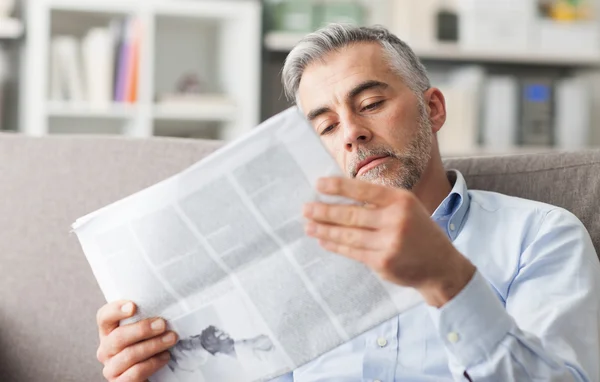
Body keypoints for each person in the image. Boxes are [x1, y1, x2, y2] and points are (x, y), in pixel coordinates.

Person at [94, 24, 600, 381]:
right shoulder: (286, 261)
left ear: (433, 109)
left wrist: (450, 281)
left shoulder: (541, 234)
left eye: (372, 104)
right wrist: (152, 371)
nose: (353, 134)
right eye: (327, 126)